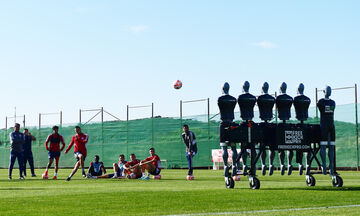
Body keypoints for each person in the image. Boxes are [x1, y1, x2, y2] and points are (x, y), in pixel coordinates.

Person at [217, 82, 239, 181]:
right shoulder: (234, 99)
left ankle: (226, 165)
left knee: (224, 147)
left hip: (223, 123)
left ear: (222, 89)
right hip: (232, 122)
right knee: (233, 146)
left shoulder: (220, 99)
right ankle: (234, 165)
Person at [237, 81, 257, 177]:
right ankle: (253, 167)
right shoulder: (253, 98)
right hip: (251, 123)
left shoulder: (240, 98)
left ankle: (244, 165)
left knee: (243, 146)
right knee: (252, 147)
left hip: (244, 123)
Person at [257, 82, 276, 175]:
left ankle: (263, 163)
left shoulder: (259, 98)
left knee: (262, 147)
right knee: (272, 147)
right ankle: (271, 164)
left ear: (262, 88)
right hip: (270, 125)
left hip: (263, 126)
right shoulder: (272, 99)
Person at [317, 85, 336, 178]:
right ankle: (324, 165)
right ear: (324, 91)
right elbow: (326, 110)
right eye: (328, 89)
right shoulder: (320, 102)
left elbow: (329, 110)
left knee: (332, 146)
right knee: (323, 146)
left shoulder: (333, 102)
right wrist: (327, 109)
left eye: (330, 89)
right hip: (323, 126)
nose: (329, 91)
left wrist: (326, 109)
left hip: (331, 126)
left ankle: (331, 166)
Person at [293, 83, 312, 175]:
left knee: (299, 145)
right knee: (307, 145)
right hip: (305, 124)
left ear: (297, 89)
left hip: (300, 124)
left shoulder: (295, 99)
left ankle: (300, 163)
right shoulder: (308, 99)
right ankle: (307, 163)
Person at [275, 82, 294, 175]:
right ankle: (289, 163)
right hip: (287, 123)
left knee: (280, 146)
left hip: (281, 124)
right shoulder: (290, 98)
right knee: (289, 145)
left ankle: (282, 163)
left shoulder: (278, 98)